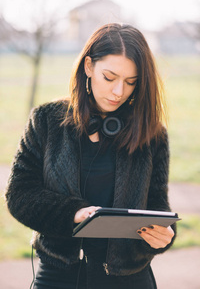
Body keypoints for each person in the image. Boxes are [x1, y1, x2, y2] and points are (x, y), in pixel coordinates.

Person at [5, 23, 176, 289]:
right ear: (88, 67)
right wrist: (73, 213)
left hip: (130, 280)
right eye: (110, 78)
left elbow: (157, 207)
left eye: (131, 82)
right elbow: (19, 195)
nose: (119, 92)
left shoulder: (152, 135)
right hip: (58, 276)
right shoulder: (45, 121)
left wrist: (163, 237)